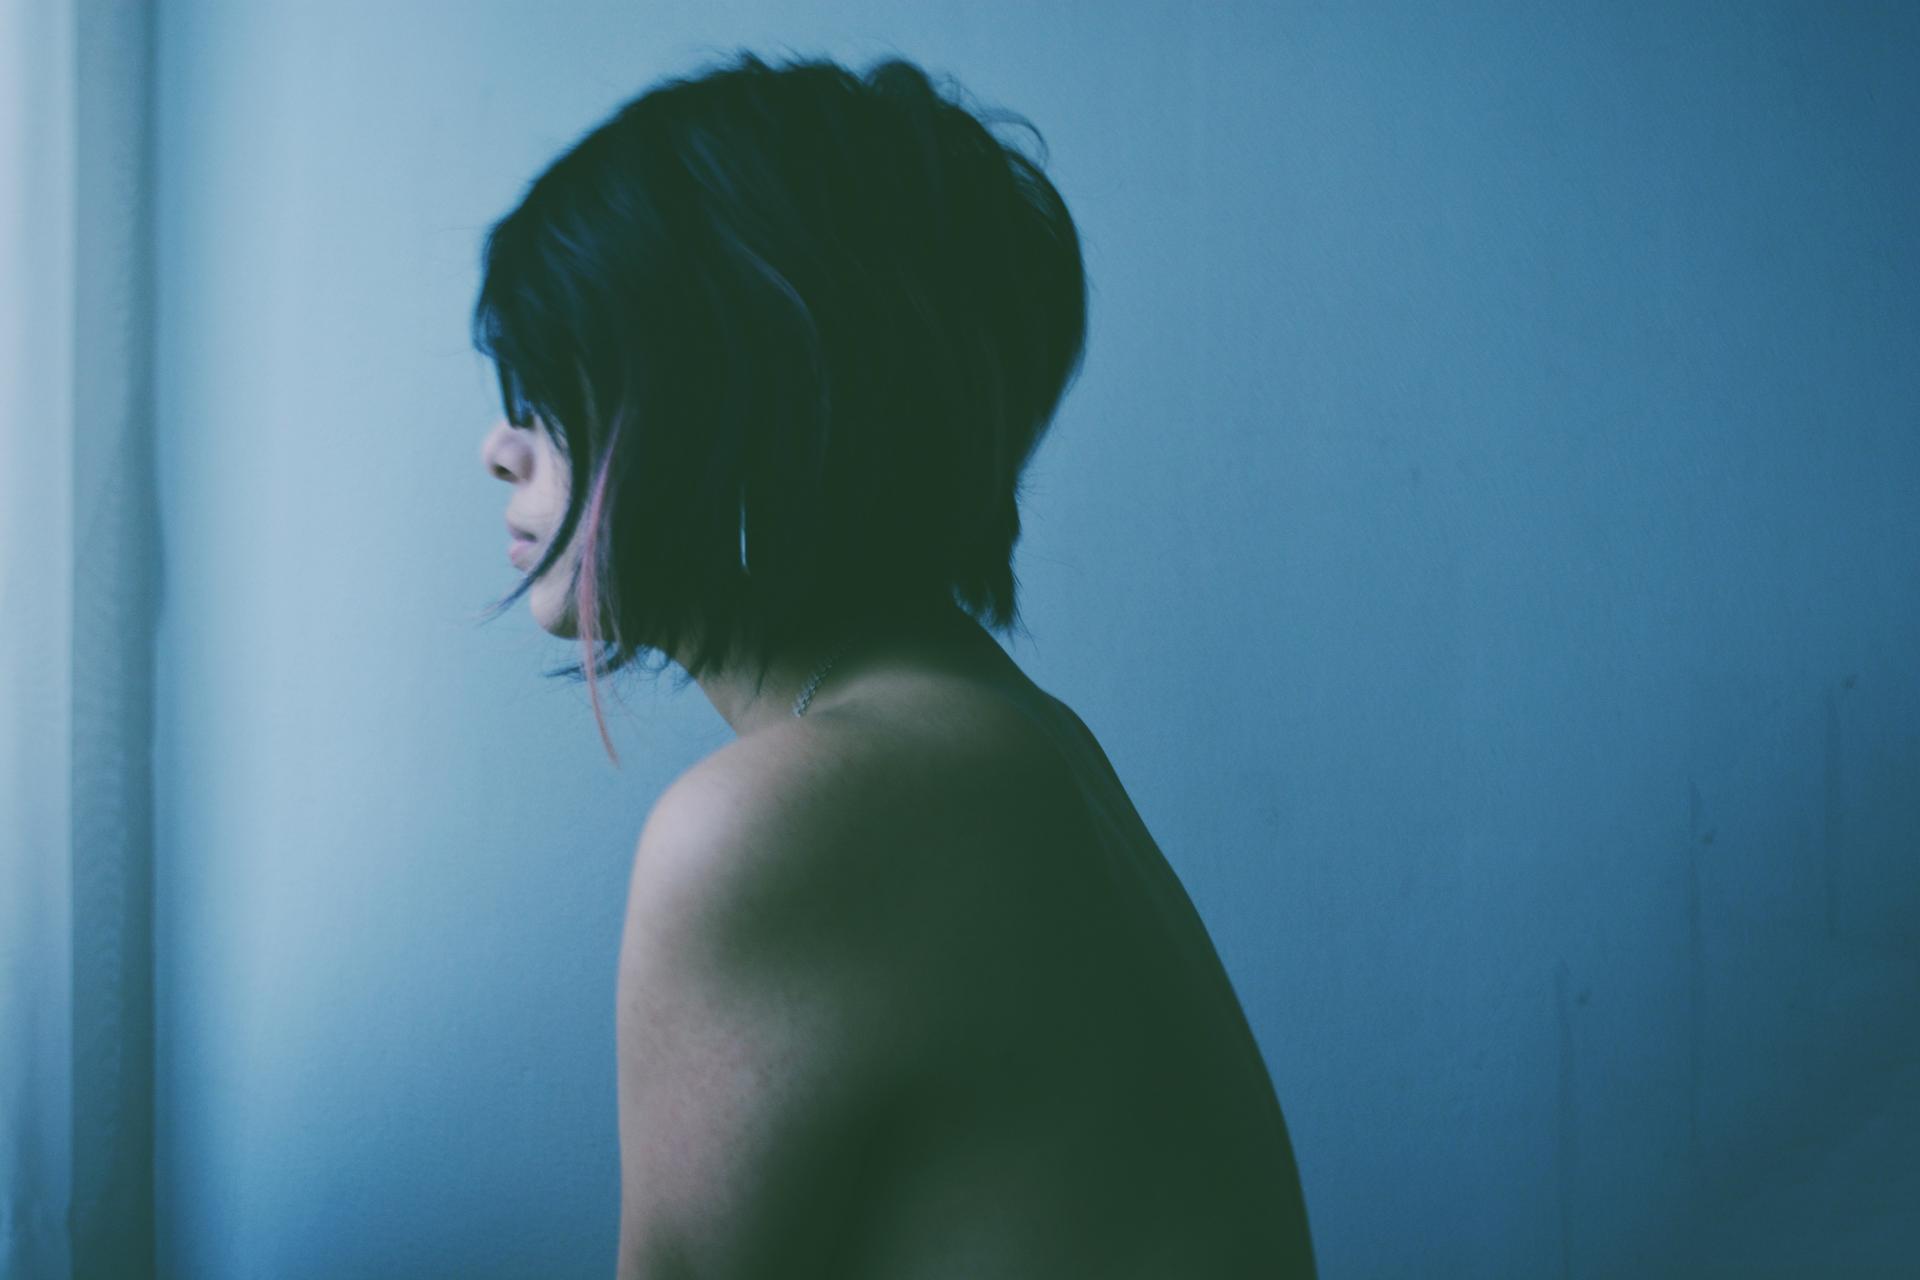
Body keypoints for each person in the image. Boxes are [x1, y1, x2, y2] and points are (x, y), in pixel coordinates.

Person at [475, 48, 1316, 1278]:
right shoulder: (1003, 737)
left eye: (551, 391)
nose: (500, 445)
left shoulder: (790, 819)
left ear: (733, 398)